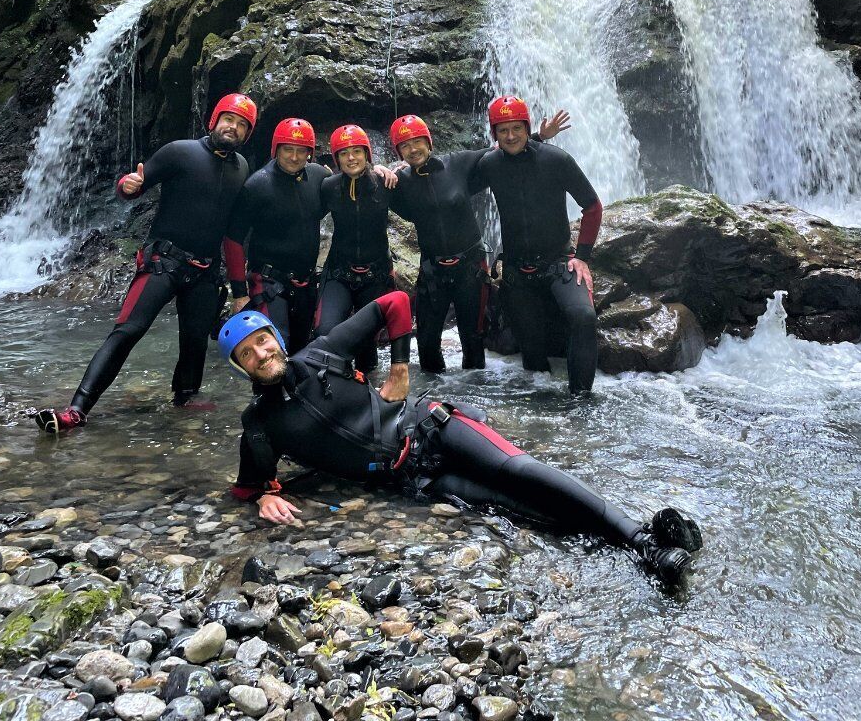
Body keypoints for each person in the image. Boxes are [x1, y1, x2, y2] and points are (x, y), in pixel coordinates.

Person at [218, 301, 703, 586]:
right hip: (415, 478)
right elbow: (247, 485)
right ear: (239, 368)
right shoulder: (259, 423)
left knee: (520, 471)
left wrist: (402, 367)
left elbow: (393, 304)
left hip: (434, 425)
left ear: (277, 339)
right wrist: (264, 494)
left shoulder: (321, 353)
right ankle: (640, 547)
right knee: (513, 506)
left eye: (263, 342)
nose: (260, 354)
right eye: (247, 354)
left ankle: (643, 539)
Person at [34, 93, 257, 433]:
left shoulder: (242, 169)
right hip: (163, 261)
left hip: (205, 271)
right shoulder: (180, 151)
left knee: (195, 340)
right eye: (229, 119)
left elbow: (233, 235)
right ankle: (77, 409)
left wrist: (239, 289)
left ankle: (185, 400)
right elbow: (132, 185)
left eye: (243, 125)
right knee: (128, 330)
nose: (234, 127)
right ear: (214, 120)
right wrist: (128, 185)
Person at [387, 110, 571, 373]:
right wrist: (381, 169)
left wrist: (539, 136)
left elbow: (504, 149)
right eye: (405, 145)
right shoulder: (399, 182)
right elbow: (365, 179)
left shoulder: (458, 163)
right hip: (432, 272)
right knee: (427, 343)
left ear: (429, 142)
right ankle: (433, 403)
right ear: (399, 152)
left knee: (472, 340)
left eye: (417, 141)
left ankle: (474, 404)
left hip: (469, 268)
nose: (413, 149)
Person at [474, 95, 603, 394]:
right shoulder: (489, 164)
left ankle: (581, 400)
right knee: (532, 362)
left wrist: (583, 257)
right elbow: (451, 185)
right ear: (494, 134)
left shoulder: (556, 160)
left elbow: (593, 207)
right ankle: (538, 419)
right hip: (518, 274)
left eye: (516, 129)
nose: (510, 136)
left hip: (559, 263)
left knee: (584, 317)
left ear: (526, 127)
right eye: (502, 130)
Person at [223, 119, 328, 355]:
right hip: (269, 282)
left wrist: (381, 171)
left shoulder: (319, 176)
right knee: (275, 349)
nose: (294, 157)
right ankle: (267, 393)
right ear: (276, 149)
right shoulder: (257, 185)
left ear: (310, 153)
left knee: (302, 351)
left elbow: (346, 186)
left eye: (301, 151)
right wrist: (239, 293)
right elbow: (233, 239)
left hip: (306, 282)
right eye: (288, 149)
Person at [314, 125, 396, 372]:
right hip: (338, 273)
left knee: (367, 342)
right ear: (337, 158)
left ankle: (367, 393)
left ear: (367, 155)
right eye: (344, 153)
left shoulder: (385, 183)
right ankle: (331, 385)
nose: (351, 158)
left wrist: (395, 169)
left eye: (357, 151)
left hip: (376, 274)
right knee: (325, 331)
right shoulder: (328, 186)